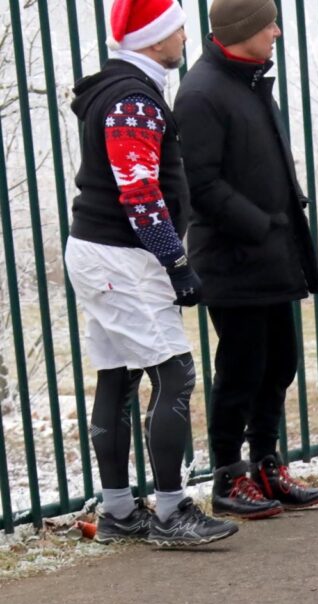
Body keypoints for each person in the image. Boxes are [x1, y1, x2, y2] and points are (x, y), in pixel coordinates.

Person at [64, 0, 238, 548]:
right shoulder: (133, 100)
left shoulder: (123, 90)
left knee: (117, 374)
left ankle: (118, 510)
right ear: (154, 37)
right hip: (122, 256)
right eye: (178, 27)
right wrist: (176, 262)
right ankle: (171, 513)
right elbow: (139, 193)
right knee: (175, 373)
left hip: (100, 250)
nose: (186, 35)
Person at [173, 0, 318, 519]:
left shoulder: (249, 81)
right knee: (241, 368)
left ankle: (266, 464)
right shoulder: (201, 92)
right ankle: (228, 476)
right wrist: (259, 223)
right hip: (234, 258)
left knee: (279, 363)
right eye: (269, 24)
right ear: (244, 29)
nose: (277, 33)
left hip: (273, 254)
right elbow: (201, 183)